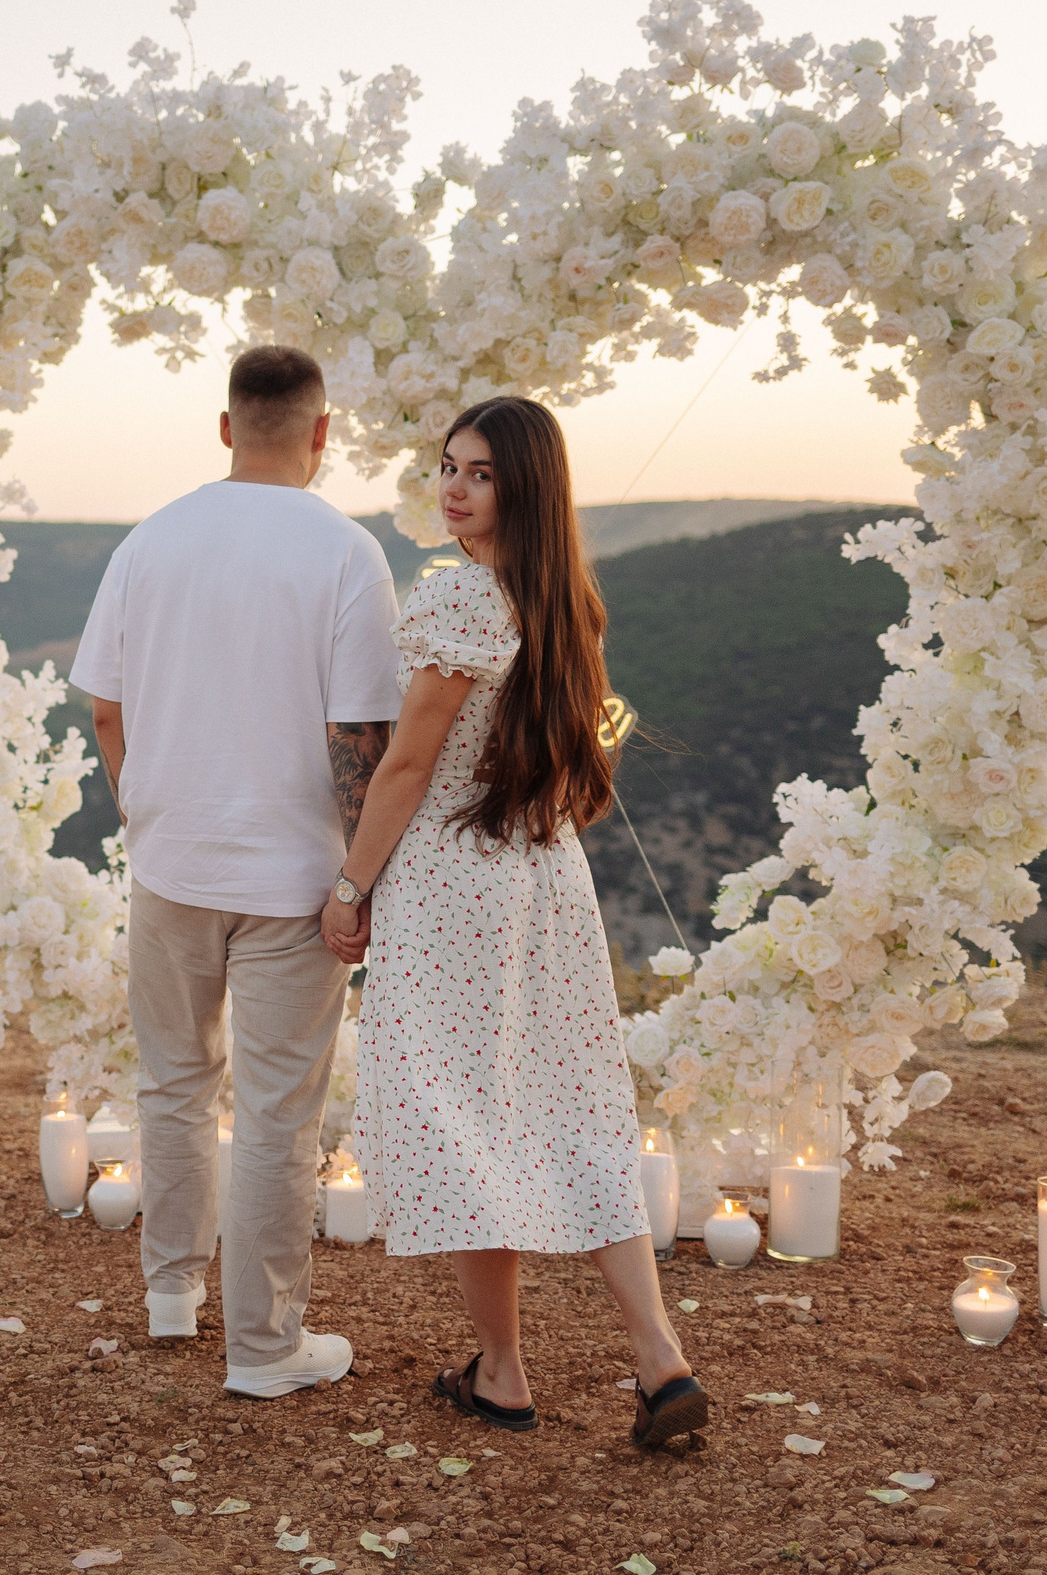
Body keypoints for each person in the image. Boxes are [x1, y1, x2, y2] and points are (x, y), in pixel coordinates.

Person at [321, 395, 709, 1449]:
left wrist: (351, 887)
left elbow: (405, 764)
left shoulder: (457, 602)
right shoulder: (568, 606)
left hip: (454, 885)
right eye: (446, 467)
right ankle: (658, 1358)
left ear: (523, 487)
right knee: (574, 1109)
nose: (452, 488)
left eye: (479, 473)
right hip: (547, 881)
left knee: (462, 1118)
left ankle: (501, 1371)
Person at [70, 344, 403, 1399]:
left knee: (172, 1082)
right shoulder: (347, 552)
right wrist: (359, 880)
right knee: (274, 1111)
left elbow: (105, 709)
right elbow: (362, 734)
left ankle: (172, 1295)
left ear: (224, 428)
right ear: (321, 432)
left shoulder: (150, 540)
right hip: (295, 879)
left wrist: (144, 806)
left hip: (170, 861)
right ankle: (262, 1348)